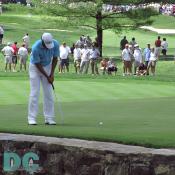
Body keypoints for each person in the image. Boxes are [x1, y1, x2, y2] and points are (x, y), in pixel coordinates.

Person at [28, 33, 59, 125]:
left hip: (48, 66)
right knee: (34, 93)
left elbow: (55, 59)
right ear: (42, 41)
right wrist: (47, 76)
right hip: (35, 68)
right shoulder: (36, 47)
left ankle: (49, 118)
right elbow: (37, 64)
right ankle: (31, 118)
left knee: (49, 93)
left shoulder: (55, 44)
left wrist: (52, 74)